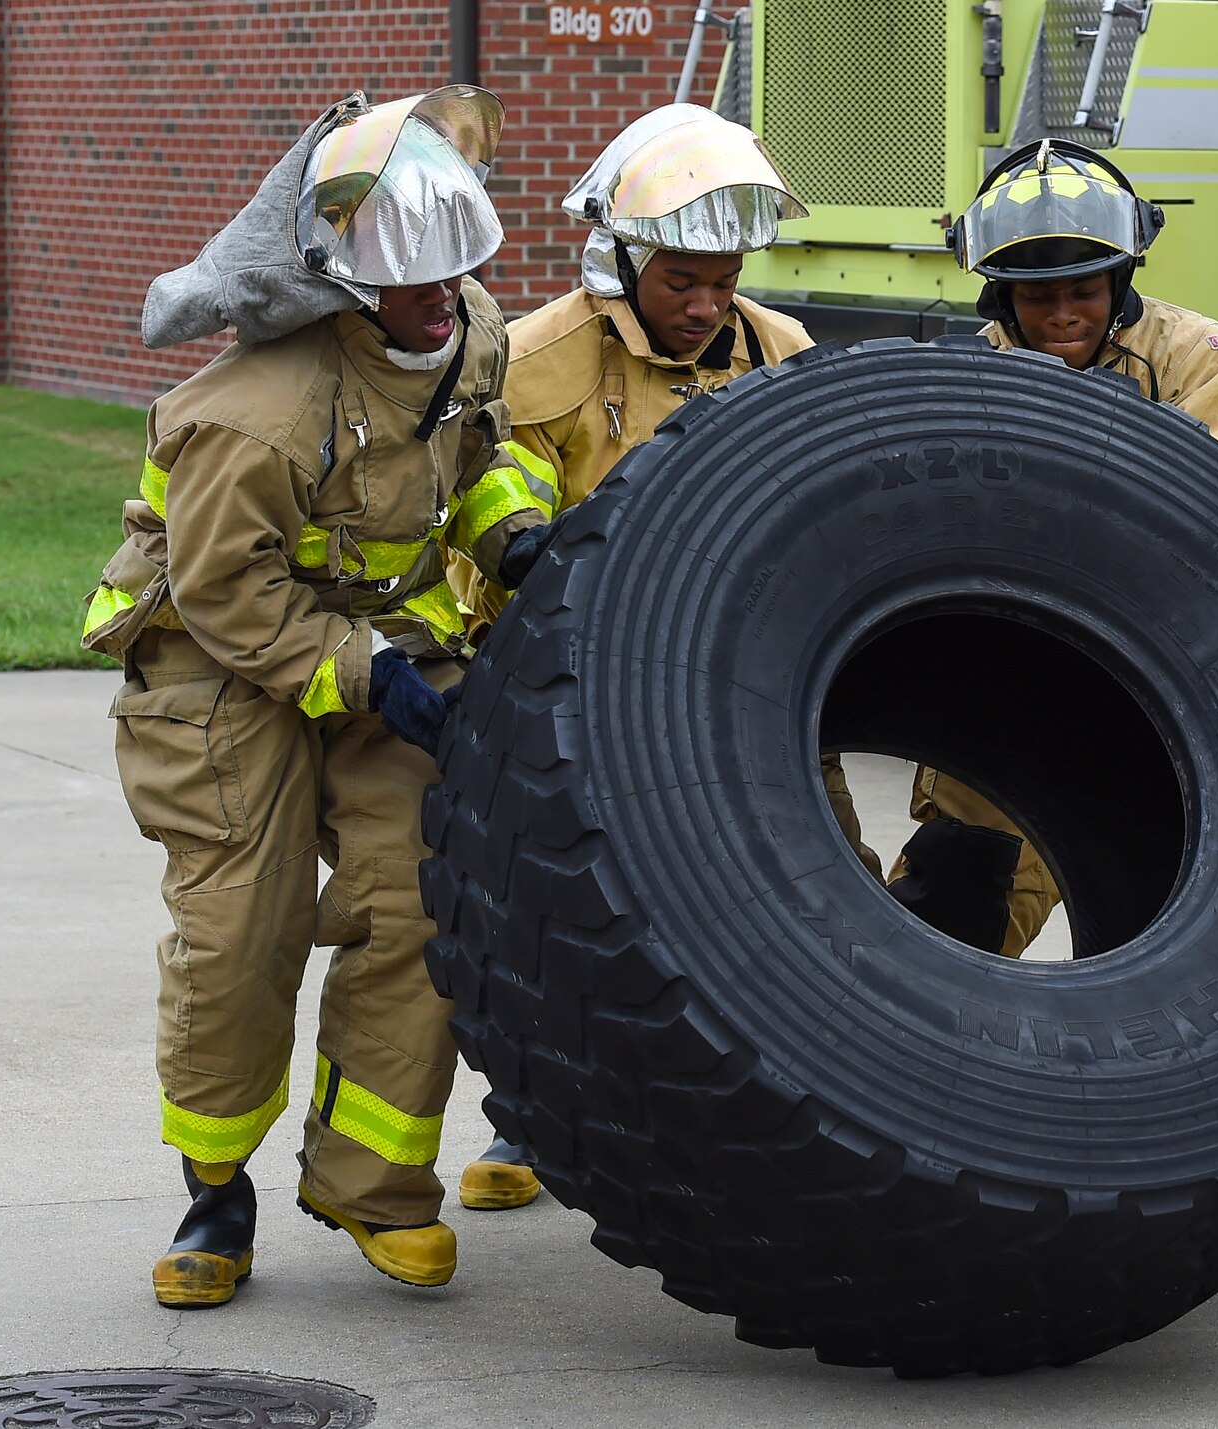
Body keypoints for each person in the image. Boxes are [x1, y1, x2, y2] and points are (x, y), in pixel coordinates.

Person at [82, 87, 550, 1306]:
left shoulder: (467, 326)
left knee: (421, 899)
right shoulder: (260, 413)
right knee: (244, 924)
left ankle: (372, 1184)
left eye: (453, 274)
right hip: (218, 658)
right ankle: (215, 1191)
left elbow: (480, 448)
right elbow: (226, 594)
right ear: (344, 285)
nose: (439, 301)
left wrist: (514, 538)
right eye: (412, 284)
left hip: (374, 638)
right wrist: (372, 674)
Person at [444, 104, 881, 1210]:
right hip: (579, 696)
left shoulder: (779, 351)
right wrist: (531, 548)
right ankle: (528, 1121)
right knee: (565, 923)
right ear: (623, 259)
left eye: (722, 277)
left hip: (752, 688)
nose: (703, 305)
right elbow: (493, 516)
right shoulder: (538, 361)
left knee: (832, 887)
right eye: (680, 279)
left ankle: (843, 1102)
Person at [889, 138, 1218, 958]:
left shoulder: (1198, 358)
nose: (1064, 314)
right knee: (943, 946)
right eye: (1038, 296)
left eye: (1085, 292)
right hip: (1001, 700)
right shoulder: (966, 379)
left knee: (1155, 959)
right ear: (999, 296)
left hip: (1146, 704)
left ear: (1121, 283)